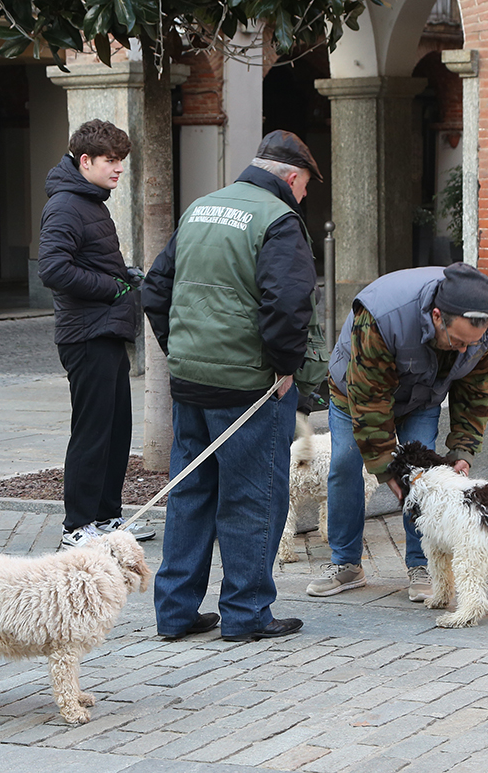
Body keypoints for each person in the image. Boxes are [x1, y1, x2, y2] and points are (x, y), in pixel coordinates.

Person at [142, 130, 326, 642]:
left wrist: (180, 350)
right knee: (253, 499)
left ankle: (175, 614)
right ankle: (246, 615)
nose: (305, 195)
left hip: (190, 383)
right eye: (306, 185)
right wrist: (285, 366)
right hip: (249, 390)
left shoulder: (201, 208)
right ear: (291, 177)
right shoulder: (279, 220)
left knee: (190, 495)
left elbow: (155, 288)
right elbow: (288, 306)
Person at [306, 262, 488, 601]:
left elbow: (475, 391)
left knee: (424, 476)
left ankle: (423, 564)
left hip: (422, 395)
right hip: (356, 390)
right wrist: (384, 466)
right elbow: (370, 399)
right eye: (457, 341)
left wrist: (462, 451)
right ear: (437, 316)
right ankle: (345, 564)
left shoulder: (481, 330)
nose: (465, 349)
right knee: (345, 464)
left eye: (472, 343)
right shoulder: (382, 316)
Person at [38, 119, 153, 549]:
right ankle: (77, 527)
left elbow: (87, 258)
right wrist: (113, 287)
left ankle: (106, 519)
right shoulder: (67, 204)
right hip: (85, 334)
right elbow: (53, 269)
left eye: (121, 160)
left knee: (115, 428)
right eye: (110, 160)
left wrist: (122, 274)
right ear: (85, 161)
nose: (118, 168)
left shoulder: (91, 201)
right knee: (92, 432)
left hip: (105, 330)